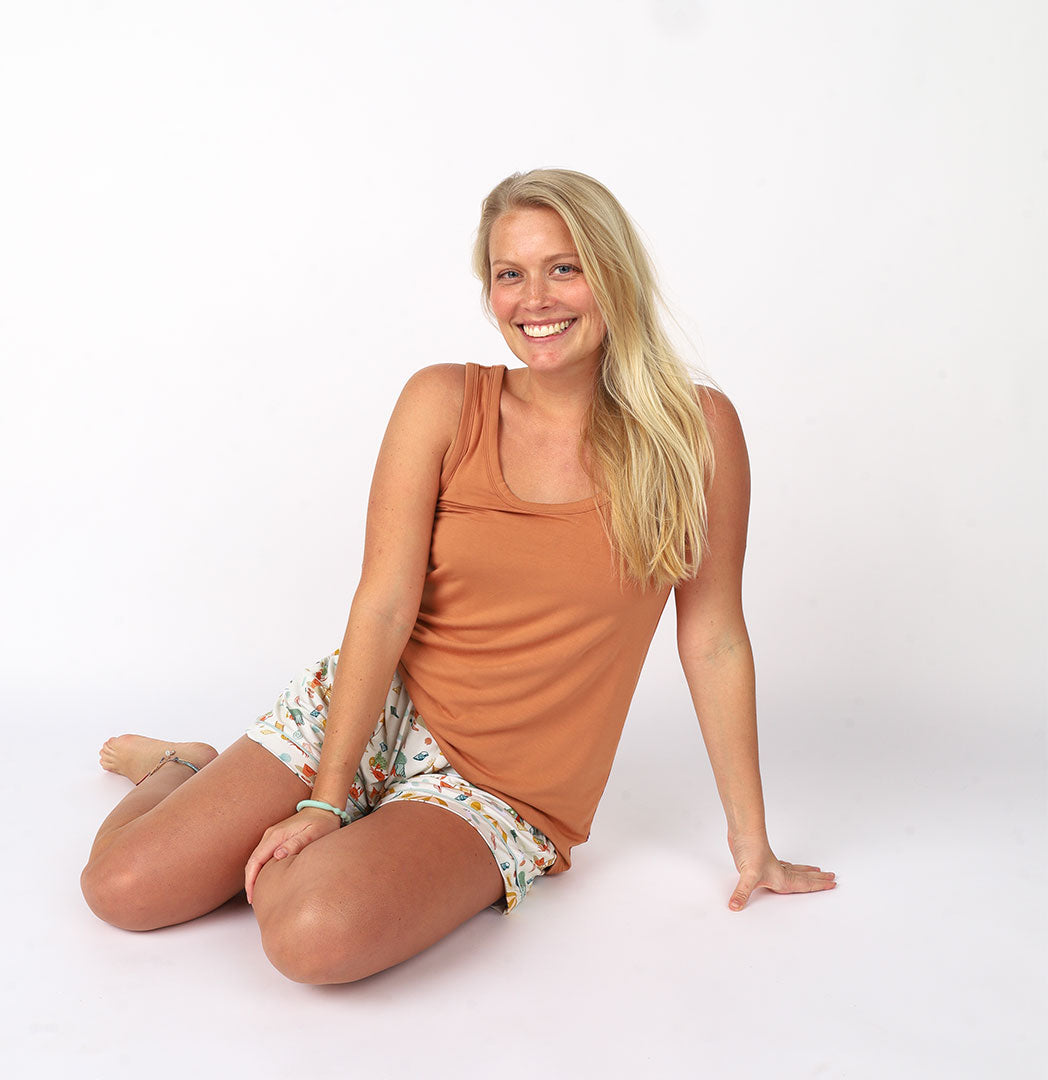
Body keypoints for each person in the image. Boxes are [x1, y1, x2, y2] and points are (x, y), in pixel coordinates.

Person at [80, 168, 836, 984]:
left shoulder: (699, 433)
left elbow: (714, 636)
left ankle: (355, 837)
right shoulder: (443, 402)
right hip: (374, 713)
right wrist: (328, 798)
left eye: (564, 268)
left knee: (312, 941)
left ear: (613, 274)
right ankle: (181, 766)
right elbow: (383, 605)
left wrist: (751, 842)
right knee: (119, 890)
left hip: (504, 786)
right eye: (510, 274)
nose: (535, 299)